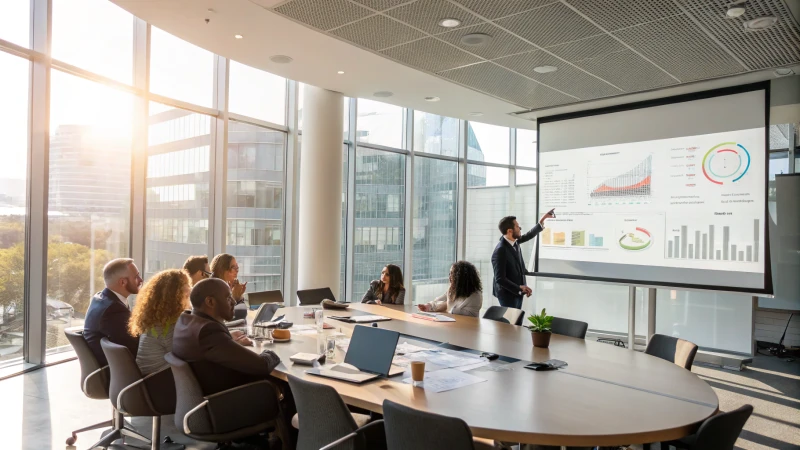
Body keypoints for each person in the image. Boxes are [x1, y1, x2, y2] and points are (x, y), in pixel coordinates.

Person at [172, 278, 280, 395]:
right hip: (226, 402)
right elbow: (262, 365)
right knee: (286, 386)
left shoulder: (186, 320)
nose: (234, 302)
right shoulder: (208, 332)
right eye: (228, 298)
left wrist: (227, 338)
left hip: (210, 395)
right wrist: (272, 352)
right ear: (210, 302)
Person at [128, 269, 191, 375]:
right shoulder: (168, 325)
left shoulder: (154, 319)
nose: (189, 288)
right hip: (159, 381)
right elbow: (184, 356)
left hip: (149, 380)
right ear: (174, 295)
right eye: (185, 285)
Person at [83, 258, 143, 366]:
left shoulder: (101, 298)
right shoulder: (113, 310)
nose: (141, 280)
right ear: (122, 282)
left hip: (109, 369)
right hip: (117, 373)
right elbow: (137, 348)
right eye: (136, 277)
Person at [491, 212, 554, 309]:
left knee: (517, 320)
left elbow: (528, 235)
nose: (520, 229)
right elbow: (500, 278)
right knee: (511, 323)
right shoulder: (500, 250)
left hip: (517, 292)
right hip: (507, 294)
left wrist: (541, 221)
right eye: (517, 226)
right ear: (510, 231)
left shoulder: (514, 241)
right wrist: (519, 288)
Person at [417, 261, 483, 317]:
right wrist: (428, 306)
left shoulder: (475, 296)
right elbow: (440, 300)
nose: (450, 277)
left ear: (461, 278)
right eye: (450, 274)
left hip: (468, 328)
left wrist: (447, 304)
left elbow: (454, 311)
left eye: (453, 274)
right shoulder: (455, 289)